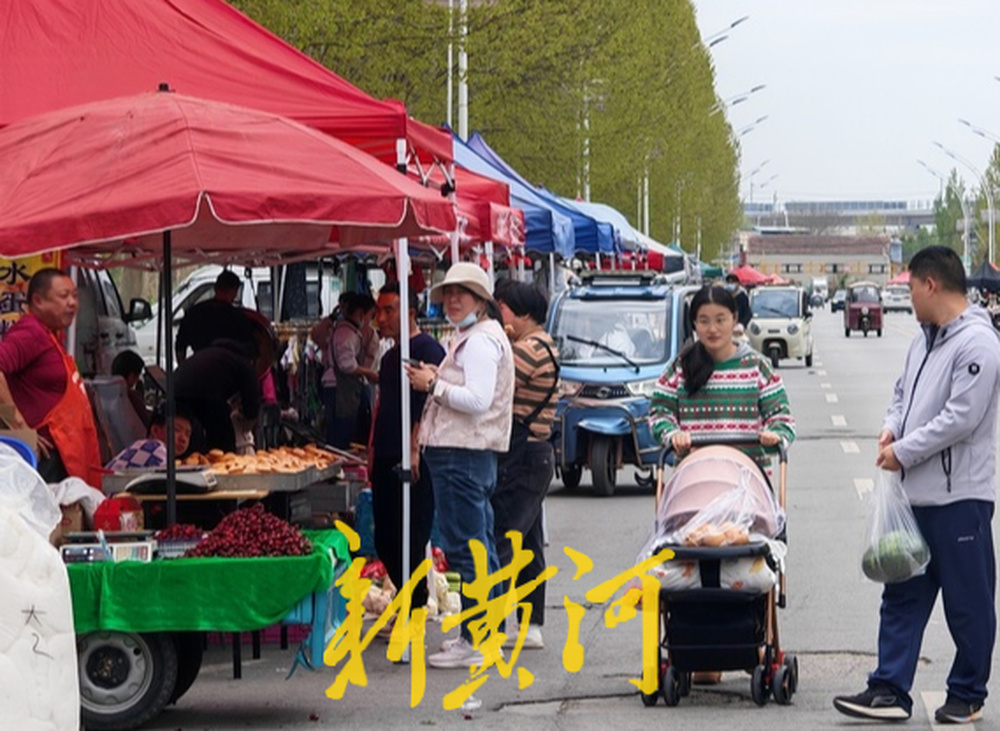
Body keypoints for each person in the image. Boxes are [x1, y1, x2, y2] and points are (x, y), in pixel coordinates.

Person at [834, 246, 1000, 725]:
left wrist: (903, 451)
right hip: (914, 494)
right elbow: (902, 393)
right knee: (901, 594)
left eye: (909, 287)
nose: (906, 296)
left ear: (931, 284)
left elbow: (961, 419)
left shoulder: (978, 344)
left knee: (968, 602)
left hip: (959, 498)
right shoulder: (922, 339)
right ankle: (889, 689)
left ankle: (967, 692)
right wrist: (891, 428)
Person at [405, 263, 514, 669]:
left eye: (462, 293)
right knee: (478, 545)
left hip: (462, 453)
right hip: (464, 453)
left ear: (481, 300)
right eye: (448, 293)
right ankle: (483, 633)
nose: (453, 300)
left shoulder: (482, 342)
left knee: (468, 549)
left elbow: (477, 399)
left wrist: (433, 384)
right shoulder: (476, 337)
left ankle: (480, 638)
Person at [649, 284, 795, 461]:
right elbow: (659, 413)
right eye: (704, 321)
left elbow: (781, 417)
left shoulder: (757, 366)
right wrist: (673, 435)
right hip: (694, 477)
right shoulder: (680, 367)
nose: (712, 329)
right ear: (694, 324)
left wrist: (774, 435)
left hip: (746, 479)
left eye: (720, 320)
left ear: (734, 320)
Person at [370, 282, 445, 616]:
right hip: (385, 455)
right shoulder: (388, 359)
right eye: (379, 310)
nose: (381, 318)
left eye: (389, 311)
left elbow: (429, 403)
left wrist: (414, 447)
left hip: (415, 459)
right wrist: (371, 449)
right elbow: (382, 406)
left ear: (410, 313)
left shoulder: (429, 350)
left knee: (412, 534)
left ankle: (414, 604)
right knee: (385, 536)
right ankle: (408, 595)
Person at [493, 281, 560, 651]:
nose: (496, 314)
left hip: (523, 455)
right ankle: (530, 624)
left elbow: (493, 386)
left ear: (520, 312)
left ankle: (490, 621)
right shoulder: (544, 344)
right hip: (536, 453)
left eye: (500, 307)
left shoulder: (528, 349)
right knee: (529, 543)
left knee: (504, 537)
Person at [0, 268, 102, 486]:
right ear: (38, 300)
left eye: (75, 296)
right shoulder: (30, 332)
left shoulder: (50, 335)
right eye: (64, 296)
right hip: (43, 459)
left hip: (64, 457)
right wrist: (20, 426)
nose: (73, 303)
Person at [174, 339, 260, 454]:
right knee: (223, 445)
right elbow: (252, 408)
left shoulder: (216, 354)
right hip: (207, 396)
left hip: (177, 392)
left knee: (192, 442)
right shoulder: (244, 364)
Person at [322, 293, 379, 449]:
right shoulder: (345, 334)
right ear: (361, 314)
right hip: (339, 389)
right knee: (341, 436)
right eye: (371, 316)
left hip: (343, 388)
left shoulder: (351, 332)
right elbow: (347, 365)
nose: (371, 321)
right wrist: (369, 373)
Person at [175, 270, 256, 362]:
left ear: (215, 288)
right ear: (234, 292)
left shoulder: (195, 312)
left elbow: (180, 346)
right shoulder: (237, 318)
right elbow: (250, 350)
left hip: (201, 367)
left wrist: (183, 368)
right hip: (227, 369)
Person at [106, 402, 193, 471]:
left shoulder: (142, 446)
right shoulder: (154, 447)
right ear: (155, 430)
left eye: (187, 434)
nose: (183, 439)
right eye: (176, 429)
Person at [111, 349, 151, 429]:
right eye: (137, 376)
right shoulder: (132, 397)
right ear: (131, 376)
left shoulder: (109, 397)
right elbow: (147, 421)